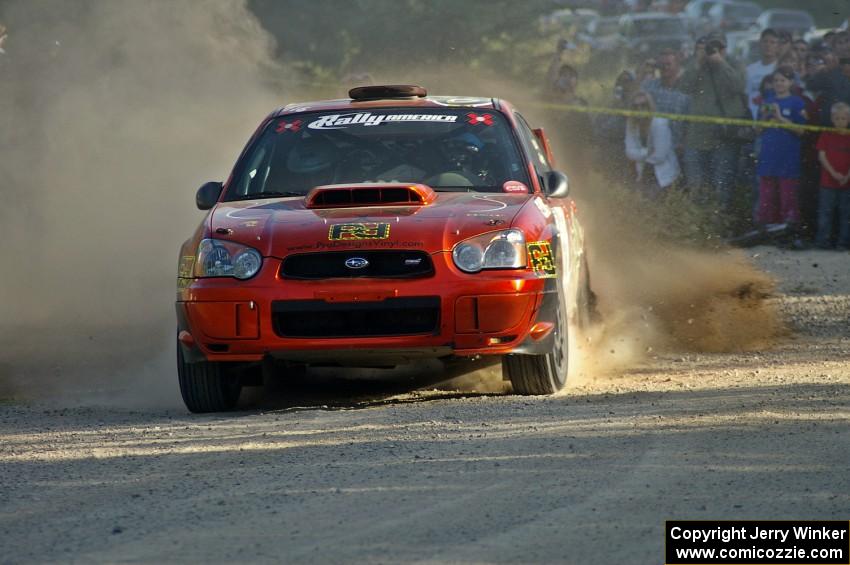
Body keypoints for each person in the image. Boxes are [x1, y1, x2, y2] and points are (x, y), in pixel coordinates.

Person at [679, 36, 747, 208]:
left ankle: (719, 226)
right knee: (696, 185)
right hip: (697, 137)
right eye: (703, 48)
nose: (709, 52)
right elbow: (684, 87)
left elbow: (738, 86)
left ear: (724, 49)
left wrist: (721, 63)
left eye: (715, 48)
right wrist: (698, 62)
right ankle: (698, 223)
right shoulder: (696, 66)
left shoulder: (734, 64)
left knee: (721, 186)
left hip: (723, 137)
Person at [755, 67, 808, 233]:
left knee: (788, 194)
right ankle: (766, 226)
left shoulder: (797, 102)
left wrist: (780, 118)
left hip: (788, 156)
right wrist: (764, 117)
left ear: (791, 82)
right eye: (776, 80)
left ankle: (789, 227)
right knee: (766, 194)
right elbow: (757, 130)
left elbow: (802, 130)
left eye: (783, 80)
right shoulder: (766, 101)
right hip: (768, 155)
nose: (779, 84)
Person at [624, 91, 680, 197]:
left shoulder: (660, 123)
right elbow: (629, 151)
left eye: (643, 105)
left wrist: (639, 155)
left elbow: (660, 156)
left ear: (650, 106)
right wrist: (648, 152)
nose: (639, 109)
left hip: (663, 175)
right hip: (643, 171)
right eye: (635, 106)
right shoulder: (631, 124)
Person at [815, 102, 850, 249]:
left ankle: (843, 243)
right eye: (837, 118)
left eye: (843, 118)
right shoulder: (826, 134)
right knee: (825, 214)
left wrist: (847, 176)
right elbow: (821, 156)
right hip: (828, 182)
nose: (840, 121)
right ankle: (823, 242)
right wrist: (834, 173)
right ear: (832, 118)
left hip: (847, 183)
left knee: (846, 216)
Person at [641, 49, 690, 148]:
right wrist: (642, 72)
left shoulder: (687, 90)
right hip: (652, 146)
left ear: (677, 66)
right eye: (661, 64)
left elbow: (691, 125)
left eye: (668, 64)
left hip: (678, 147)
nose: (665, 67)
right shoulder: (649, 86)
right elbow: (632, 101)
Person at [746, 29, 780, 118]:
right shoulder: (750, 69)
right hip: (751, 116)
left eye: (773, 42)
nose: (768, 45)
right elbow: (746, 94)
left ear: (778, 47)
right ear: (760, 44)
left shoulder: (780, 69)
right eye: (765, 41)